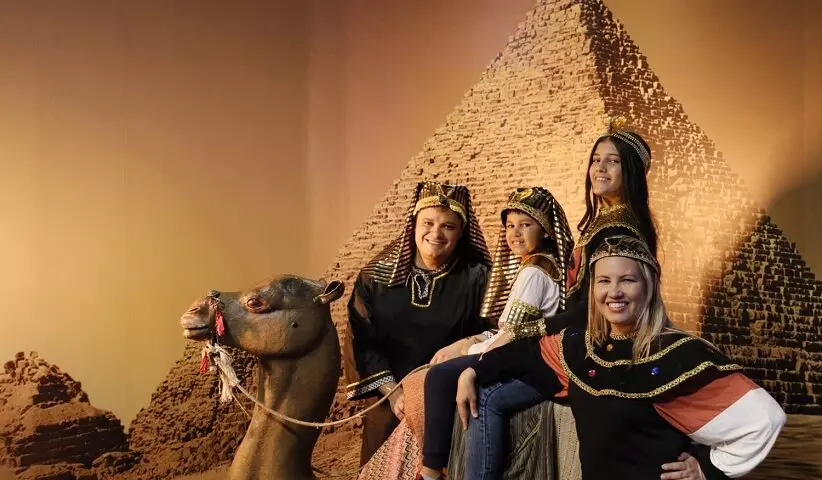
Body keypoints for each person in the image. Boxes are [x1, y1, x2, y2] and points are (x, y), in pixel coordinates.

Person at [456, 235, 786, 480]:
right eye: (604, 281)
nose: (614, 291)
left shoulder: (679, 353)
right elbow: (525, 353)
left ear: (648, 287)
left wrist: (707, 469)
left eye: (627, 280)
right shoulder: (581, 348)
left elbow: (765, 419)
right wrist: (473, 372)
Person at [456, 117, 659, 479]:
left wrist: (528, 330)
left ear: (630, 170)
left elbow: (591, 309)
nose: (600, 168)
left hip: (590, 345)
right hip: (582, 334)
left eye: (612, 161)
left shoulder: (617, 229)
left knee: (486, 395)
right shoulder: (608, 222)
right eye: (596, 160)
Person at [418, 186, 575, 480]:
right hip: (522, 349)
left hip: (524, 355)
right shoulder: (539, 265)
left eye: (525, 225)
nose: (515, 233)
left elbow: (514, 334)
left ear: (546, 231)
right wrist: (471, 341)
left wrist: (471, 350)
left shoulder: (534, 272)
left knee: (438, 377)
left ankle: (431, 471)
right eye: (510, 226)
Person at [345, 181, 492, 465]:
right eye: (428, 223)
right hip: (389, 400)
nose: (436, 233)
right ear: (413, 224)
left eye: (448, 226)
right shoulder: (374, 278)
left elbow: (501, 332)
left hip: (448, 400)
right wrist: (394, 394)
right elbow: (361, 342)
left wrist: (468, 344)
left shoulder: (479, 279)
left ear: (461, 232)